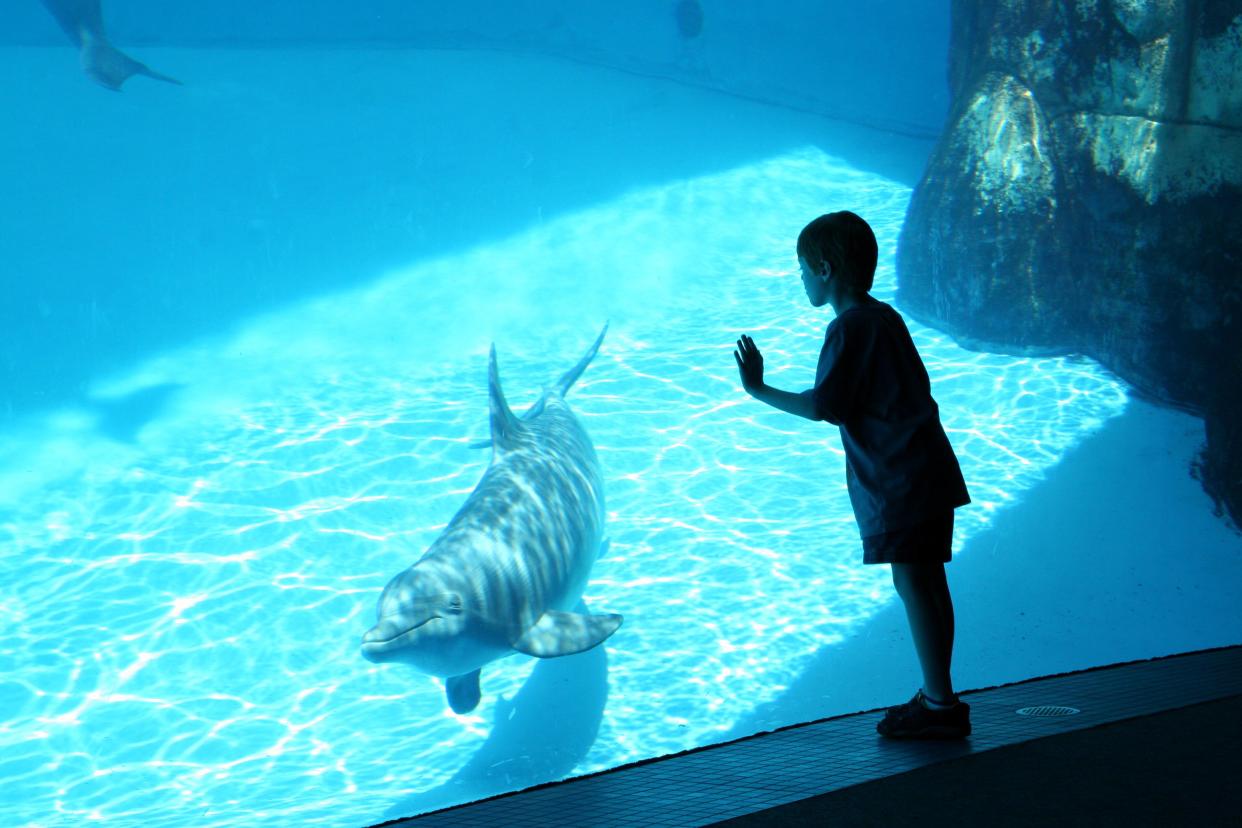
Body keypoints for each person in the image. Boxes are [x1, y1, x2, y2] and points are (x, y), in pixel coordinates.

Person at [733, 210, 972, 739]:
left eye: (801, 269)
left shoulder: (848, 328)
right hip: (927, 469)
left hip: (898, 480)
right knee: (929, 582)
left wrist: (758, 389)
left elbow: (826, 406)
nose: (799, 279)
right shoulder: (885, 316)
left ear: (824, 267)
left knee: (913, 582)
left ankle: (939, 706)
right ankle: (940, 694)